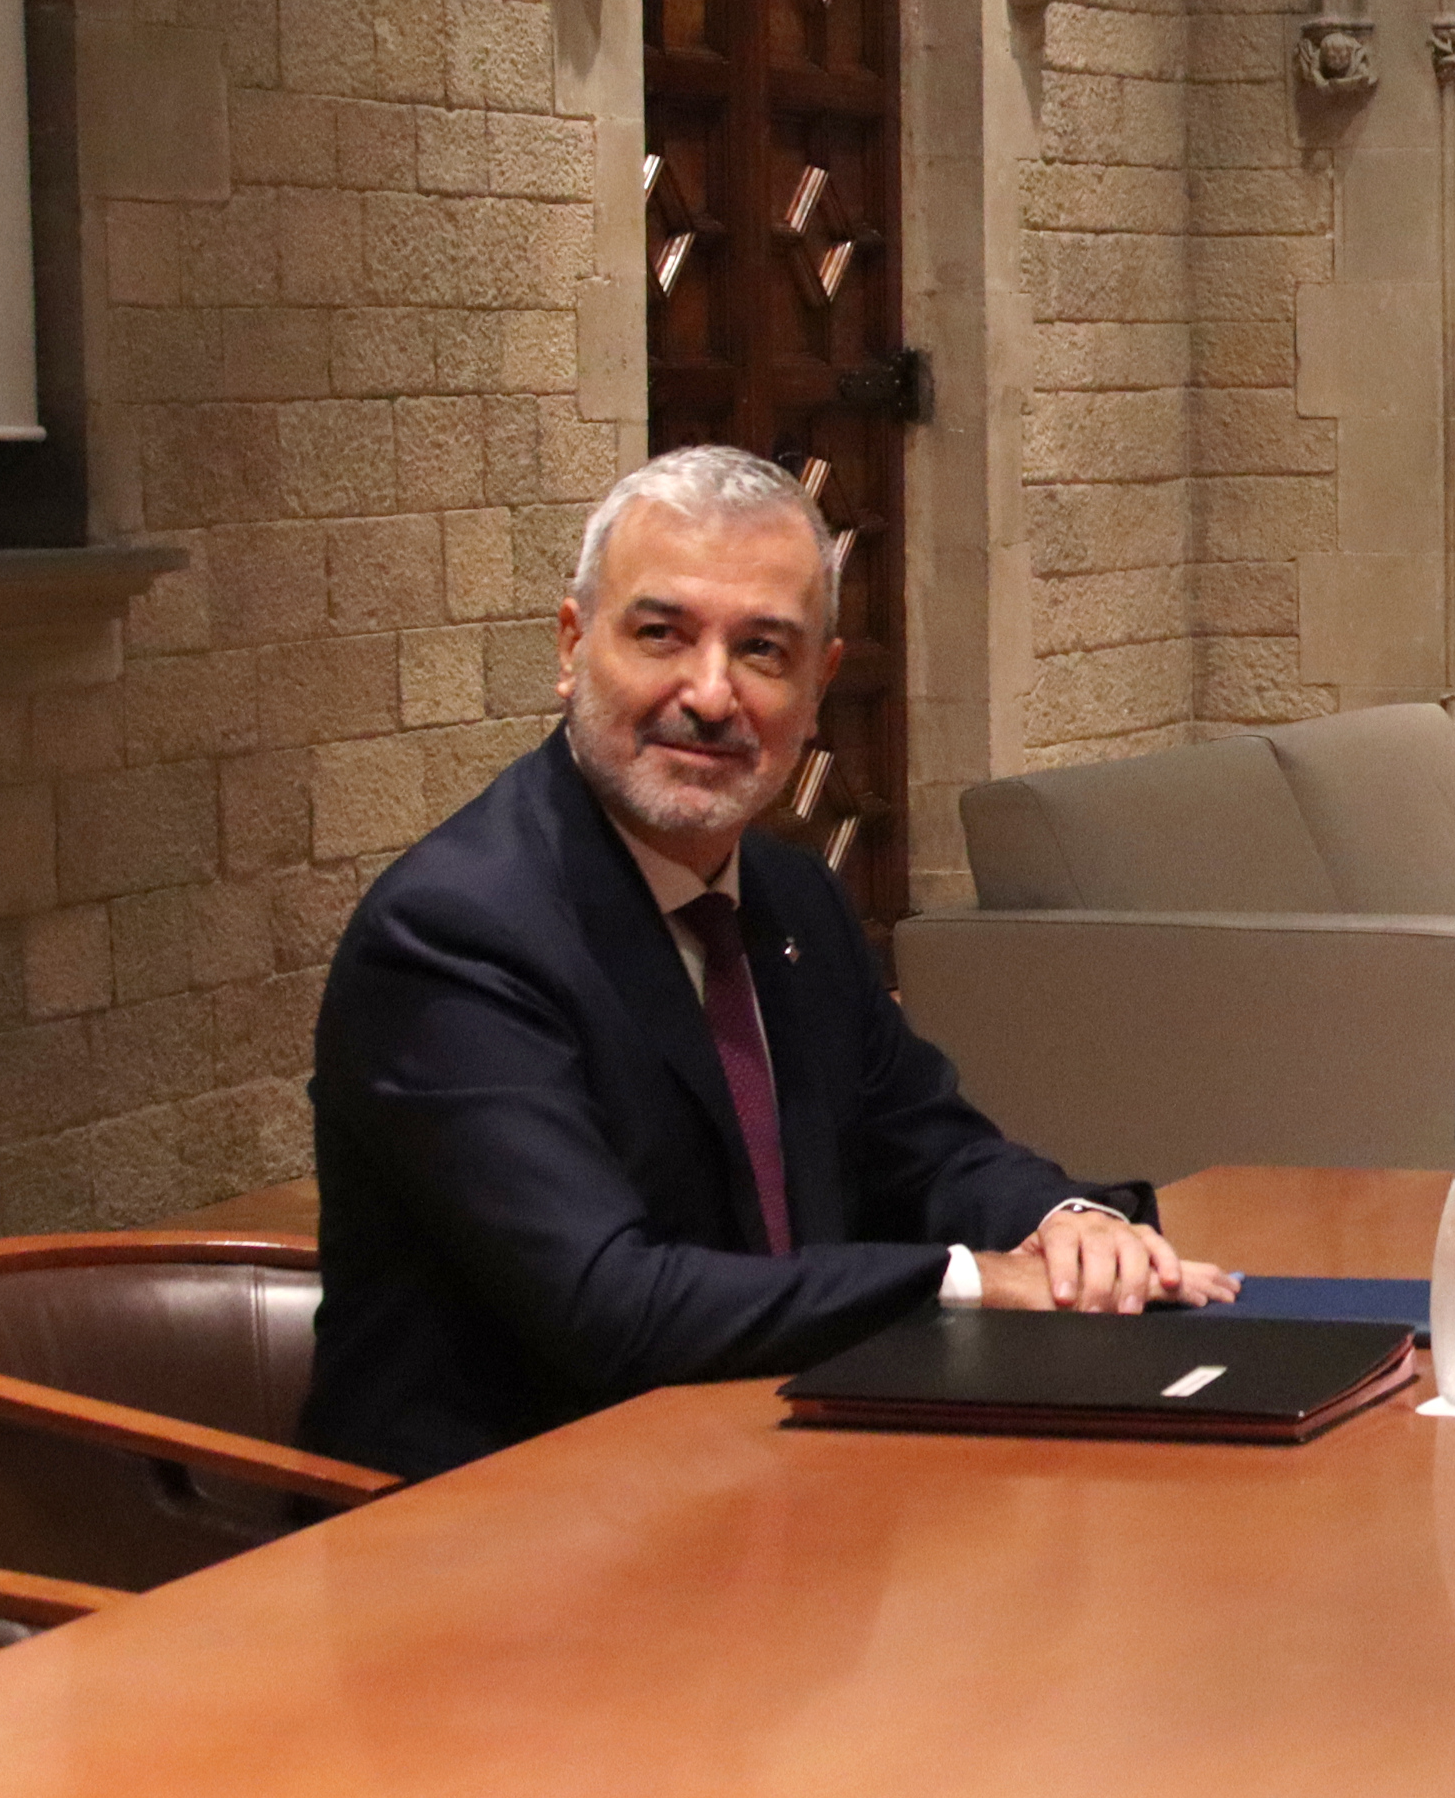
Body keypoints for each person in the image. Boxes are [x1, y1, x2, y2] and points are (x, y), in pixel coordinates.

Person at [301, 447, 1235, 1478]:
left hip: (765, 1482)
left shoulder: (793, 899)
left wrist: (1066, 1224)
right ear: (572, 648)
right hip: (489, 1545)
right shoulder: (456, 932)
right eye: (661, 635)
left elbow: (926, 1148)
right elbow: (613, 1307)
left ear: (820, 686)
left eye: (762, 650)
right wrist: (969, 1279)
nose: (709, 694)